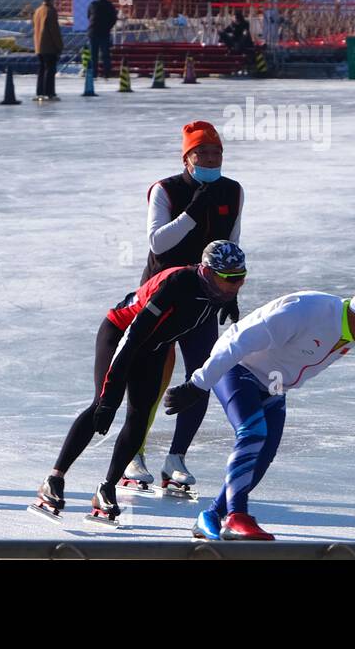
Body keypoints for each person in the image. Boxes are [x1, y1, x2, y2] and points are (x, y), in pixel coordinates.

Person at [34, 241, 247, 526]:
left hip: (155, 346)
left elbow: (222, 289)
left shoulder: (216, 288)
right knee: (101, 405)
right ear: (207, 273)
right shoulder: (177, 283)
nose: (235, 284)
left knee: (140, 415)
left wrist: (229, 296)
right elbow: (131, 340)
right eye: (229, 279)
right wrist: (110, 397)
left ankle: (107, 488)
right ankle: (54, 478)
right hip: (121, 334)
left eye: (240, 278)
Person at [164, 281, 355, 541]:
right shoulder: (306, 311)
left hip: (274, 385)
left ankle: (211, 515)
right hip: (237, 367)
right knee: (252, 432)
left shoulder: (352, 332)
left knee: (264, 453)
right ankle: (237, 516)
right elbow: (240, 341)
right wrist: (198, 384)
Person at [121, 120, 245, 494]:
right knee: (151, 379)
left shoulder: (233, 191)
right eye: (202, 153)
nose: (211, 158)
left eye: (216, 152)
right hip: (161, 298)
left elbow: (232, 241)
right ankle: (134, 454)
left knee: (201, 374)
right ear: (187, 158)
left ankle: (176, 457)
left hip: (205, 299)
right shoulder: (166, 190)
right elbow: (158, 243)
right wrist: (192, 212)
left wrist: (232, 290)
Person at [32, 0, 62, 99]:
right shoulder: (50, 11)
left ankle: (40, 92)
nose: (54, 2)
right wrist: (59, 46)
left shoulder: (37, 11)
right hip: (49, 46)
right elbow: (54, 31)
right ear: (49, 0)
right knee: (50, 70)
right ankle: (49, 92)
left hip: (39, 46)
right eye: (53, 0)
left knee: (41, 69)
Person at [87, 0, 117, 79]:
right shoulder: (108, 5)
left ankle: (95, 73)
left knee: (94, 55)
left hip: (94, 32)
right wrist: (108, 27)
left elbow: (88, 16)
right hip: (103, 32)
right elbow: (113, 18)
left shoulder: (93, 4)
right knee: (105, 54)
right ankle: (106, 73)